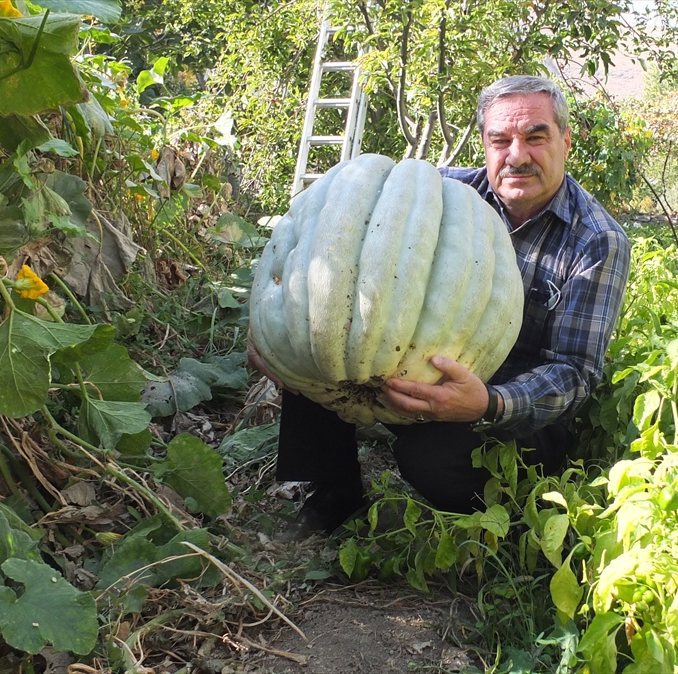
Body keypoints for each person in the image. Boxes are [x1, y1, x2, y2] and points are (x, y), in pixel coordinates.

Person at [247, 75, 631, 539]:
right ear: (485, 145)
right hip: (409, 370)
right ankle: (334, 491)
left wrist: (488, 403)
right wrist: (274, 322)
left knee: (431, 460)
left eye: (535, 137)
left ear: (565, 141)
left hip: (511, 406)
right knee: (317, 336)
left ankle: (507, 518)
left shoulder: (596, 240)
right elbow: (329, 252)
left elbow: (574, 371)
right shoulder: (439, 193)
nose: (517, 155)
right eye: (500, 140)